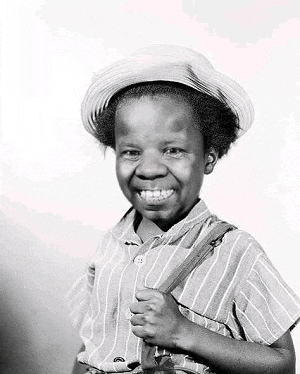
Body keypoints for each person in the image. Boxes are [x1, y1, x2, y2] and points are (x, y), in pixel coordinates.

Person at [68, 45, 300, 374]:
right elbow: (92, 346)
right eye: (131, 152)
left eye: (173, 150)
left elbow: (283, 365)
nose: (149, 169)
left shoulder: (236, 252)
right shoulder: (110, 246)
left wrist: (183, 332)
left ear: (209, 156)